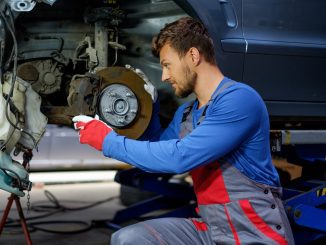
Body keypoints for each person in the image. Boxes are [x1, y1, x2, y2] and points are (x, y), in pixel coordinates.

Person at [72, 17, 294, 245]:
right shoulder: (187, 113)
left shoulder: (239, 100)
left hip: (253, 234)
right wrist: (149, 113)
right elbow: (160, 151)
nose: (164, 77)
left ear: (193, 56)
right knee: (128, 238)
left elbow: (179, 157)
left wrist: (107, 141)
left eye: (167, 65)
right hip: (213, 231)